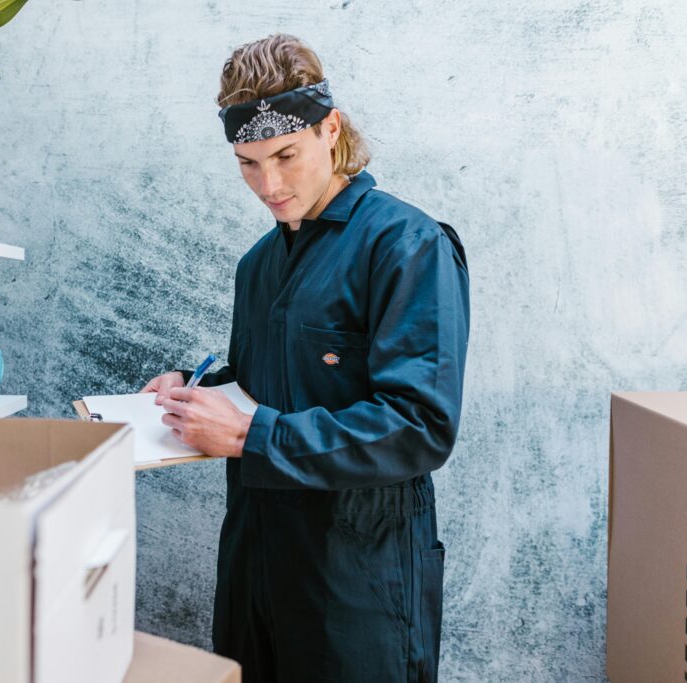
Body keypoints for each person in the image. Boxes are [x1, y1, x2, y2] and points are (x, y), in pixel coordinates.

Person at [141, 34, 470, 683]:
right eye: (247, 162)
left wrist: (250, 433)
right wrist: (192, 384)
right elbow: (273, 381)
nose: (269, 183)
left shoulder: (408, 246)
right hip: (254, 577)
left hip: (356, 588)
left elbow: (420, 423)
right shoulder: (258, 265)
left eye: (286, 155)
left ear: (331, 129)